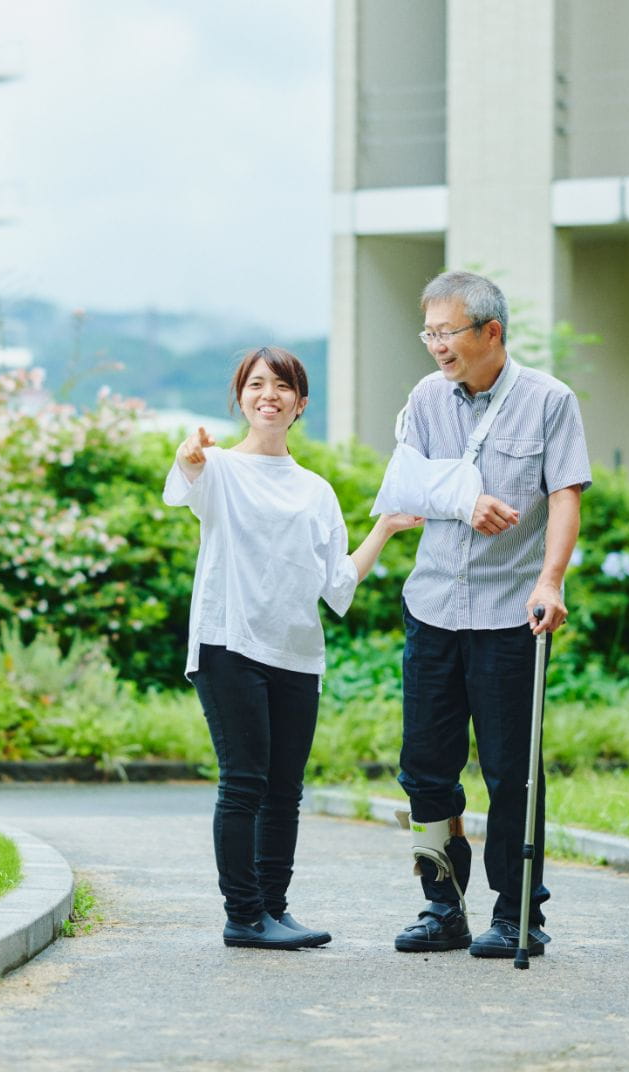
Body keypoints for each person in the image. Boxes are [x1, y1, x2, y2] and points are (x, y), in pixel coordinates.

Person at [163, 345, 499, 951]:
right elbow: (184, 486)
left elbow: (337, 583)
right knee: (244, 783)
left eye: (282, 387)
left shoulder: (316, 490)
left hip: (295, 653)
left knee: (285, 789)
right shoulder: (217, 468)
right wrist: (190, 459)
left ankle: (273, 908)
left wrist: (387, 527)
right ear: (241, 396)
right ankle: (243, 915)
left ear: (300, 404)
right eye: (256, 385)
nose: (269, 395)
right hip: (229, 643)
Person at [386, 270, 591, 959]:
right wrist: (461, 502)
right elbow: (405, 484)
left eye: (448, 332)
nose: (437, 346)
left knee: (512, 772)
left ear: (491, 332)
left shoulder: (548, 401)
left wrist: (551, 580)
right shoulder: (425, 398)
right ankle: (442, 905)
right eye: (431, 333)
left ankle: (518, 912)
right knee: (425, 770)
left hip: (510, 612)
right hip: (434, 605)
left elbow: (565, 495)